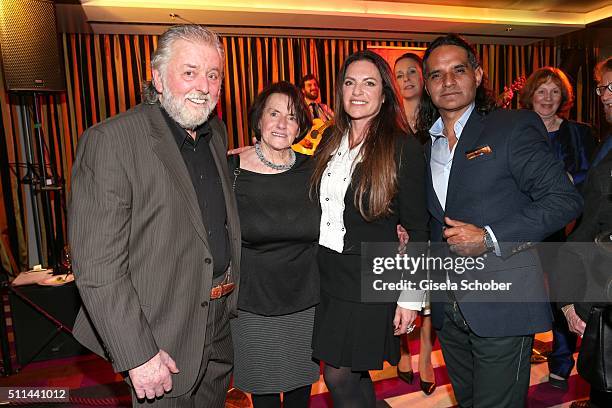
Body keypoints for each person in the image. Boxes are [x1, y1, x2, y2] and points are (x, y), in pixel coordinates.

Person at [69, 25, 241, 407]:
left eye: (213, 75)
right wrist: (138, 354)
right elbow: (98, 268)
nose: (203, 85)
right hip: (160, 332)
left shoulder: (216, 133)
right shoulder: (111, 142)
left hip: (218, 324)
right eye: (190, 72)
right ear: (157, 77)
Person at [419, 34, 583, 407]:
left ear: (478, 75)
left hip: (503, 304)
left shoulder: (512, 127)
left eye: (458, 70)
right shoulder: (425, 145)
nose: (447, 82)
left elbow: (564, 200)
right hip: (449, 307)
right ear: (427, 86)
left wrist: (491, 237)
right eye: (436, 75)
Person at [310, 50, 429, 407]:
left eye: (369, 83)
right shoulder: (329, 140)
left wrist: (410, 299)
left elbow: (419, 229)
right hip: (328, 274)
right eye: (349, 82)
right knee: (353, 374)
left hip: (370, 276)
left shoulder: (401, 147)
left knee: (339, 374)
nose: (357, 91)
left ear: (384, 93)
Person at [228, 81, 319, 408]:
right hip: (253, 304)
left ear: (300, 126)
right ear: (259, 120)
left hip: (305, 302)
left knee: (299, 395)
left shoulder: (314, 169)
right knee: (263, 395)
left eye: (292, 117)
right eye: (274, 113)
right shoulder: (231, 171)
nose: (282, 124)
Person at [520, 67, 597, 389]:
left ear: (563, 97)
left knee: (563, 294)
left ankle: (562, 362)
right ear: (531, 96)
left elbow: (591, 177)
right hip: (526, 225)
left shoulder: (580, 132)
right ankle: (520, 355)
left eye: (554, 91)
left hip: (567, 228)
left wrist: (566, 182)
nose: (548, 98)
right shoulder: (517, 131)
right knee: (524, 294)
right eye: (542, 91)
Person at [554, 57, 612, 408]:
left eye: (611, 87)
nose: (604, 95)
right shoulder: (606, 142)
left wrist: (578, 299)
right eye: (601, 87)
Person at [392, 52, 437, 395]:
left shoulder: (436, 119)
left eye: (412, 72)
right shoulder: (387, 121)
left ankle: (425, 356)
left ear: (423, 77)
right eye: (399, 74)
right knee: (400, 286)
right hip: (397, 218)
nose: (406, 79)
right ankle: (403, 349)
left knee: (429, 292)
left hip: (431, 215)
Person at [293, 74, 335, 155]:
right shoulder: (297, 108)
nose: (313, 87)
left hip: (325, 152)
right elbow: (290, 129)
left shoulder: (325, 108)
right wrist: (300, 141)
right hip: (305, 153)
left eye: (315, 85)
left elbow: (338, 124)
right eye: (309, 85)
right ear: (303, 90)